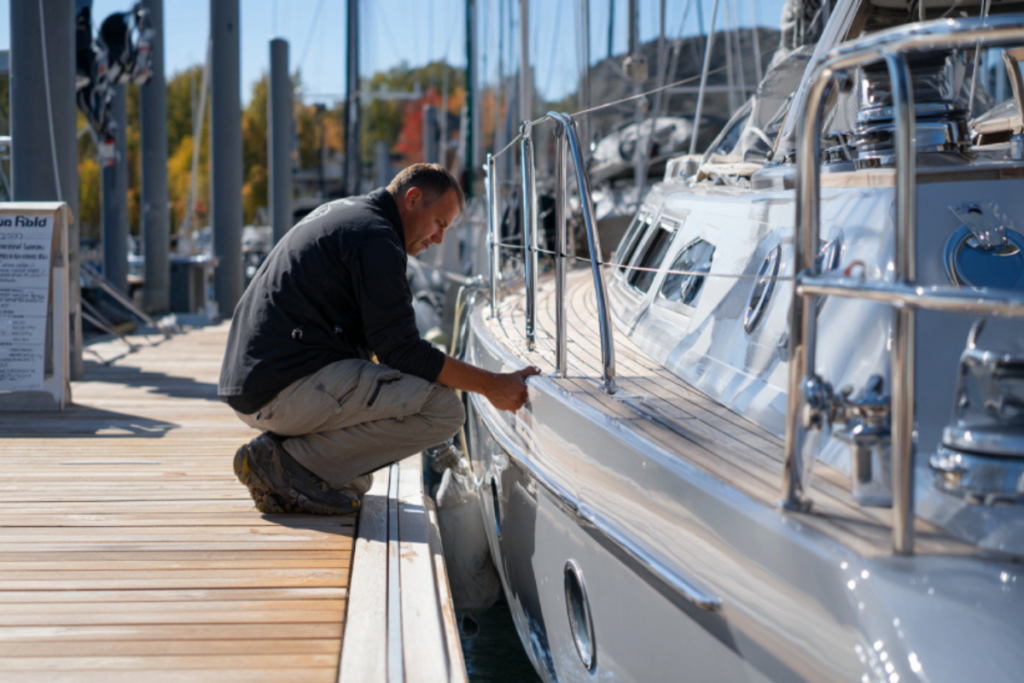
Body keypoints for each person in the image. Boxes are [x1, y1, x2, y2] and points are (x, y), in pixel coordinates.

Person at [219, 163, 539, 514]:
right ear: (413, 199)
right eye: (439, 224)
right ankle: (280, 464)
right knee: (443, 409)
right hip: (281, 388)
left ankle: (287, 467)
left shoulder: (352, 216)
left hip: (259, 384)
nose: (439, 239)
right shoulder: (376, 238)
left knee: (355, 479)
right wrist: (492, 385)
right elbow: (401, 351)